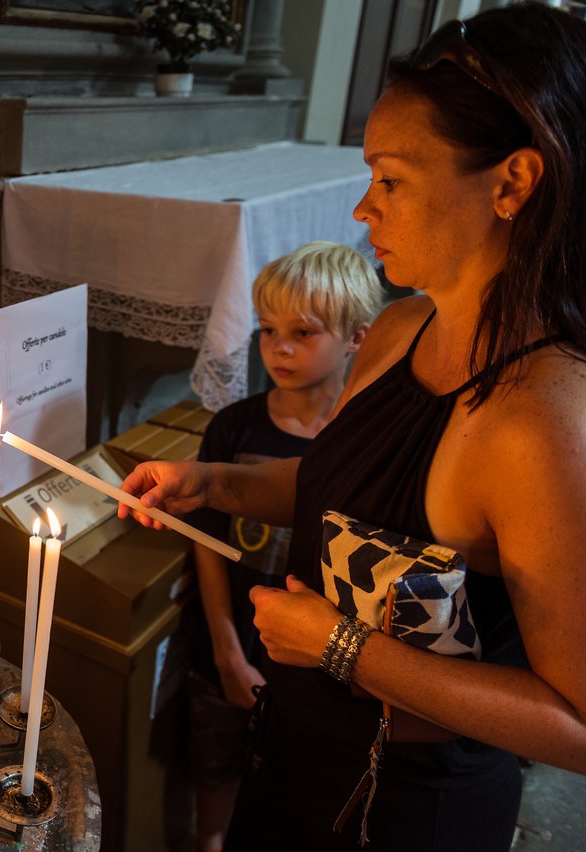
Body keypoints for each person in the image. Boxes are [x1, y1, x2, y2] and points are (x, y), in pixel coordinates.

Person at [119, 5, 586, 850]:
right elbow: (348, 496)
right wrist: (216, 483)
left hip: (404, 804)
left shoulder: (541, 421)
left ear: (512, 182)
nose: (365, 208)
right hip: (295, 746)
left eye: (393, 179)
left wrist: (342, 646)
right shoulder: (403, 328)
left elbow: (575, 723)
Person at [184, 241, 381, 852]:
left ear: (356, 338)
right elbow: (208, 543)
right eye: (268, 330)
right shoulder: (234, 427)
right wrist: (225, 651)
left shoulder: (363, 435)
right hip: (234, 639)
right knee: (215, 762)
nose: (280, 348)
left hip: (318, 657)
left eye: (303, 331)